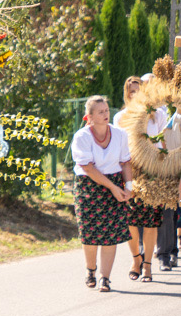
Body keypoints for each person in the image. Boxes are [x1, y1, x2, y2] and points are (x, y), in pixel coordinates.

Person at [72, 95, 132, 292]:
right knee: (89, 233)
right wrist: (113, 188)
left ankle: (105, 278)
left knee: (110, 234)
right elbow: (88, 168)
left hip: (114, 182)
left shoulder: (120, 134)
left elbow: (126, 162)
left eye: (106, 110)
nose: (106, 114)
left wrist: (128, 187)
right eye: (100, 112)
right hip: (89, 186)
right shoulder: (82, 137)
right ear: (89, 116)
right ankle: (91, 269)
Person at [121, 75, 169, 282]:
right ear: (127, 94)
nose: (135, 94)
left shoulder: (157, 115)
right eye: (131, 91)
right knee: (130, 221)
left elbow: (163, 143)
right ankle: (136, 259)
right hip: (130, 171)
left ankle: (148, 265)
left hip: (152, 171)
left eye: (138, 90)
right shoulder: (121, 117)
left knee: (151, 221)